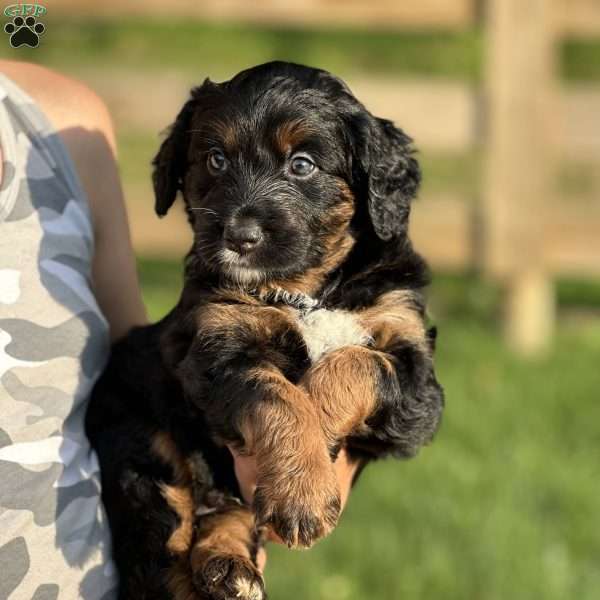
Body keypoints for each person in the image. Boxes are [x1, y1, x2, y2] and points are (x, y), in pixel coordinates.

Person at [0, 61, 358, 599]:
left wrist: (313, 443)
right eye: (217, 160)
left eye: (301, 166)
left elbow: (143, 369)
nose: (242, 217)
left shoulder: (61, 127)